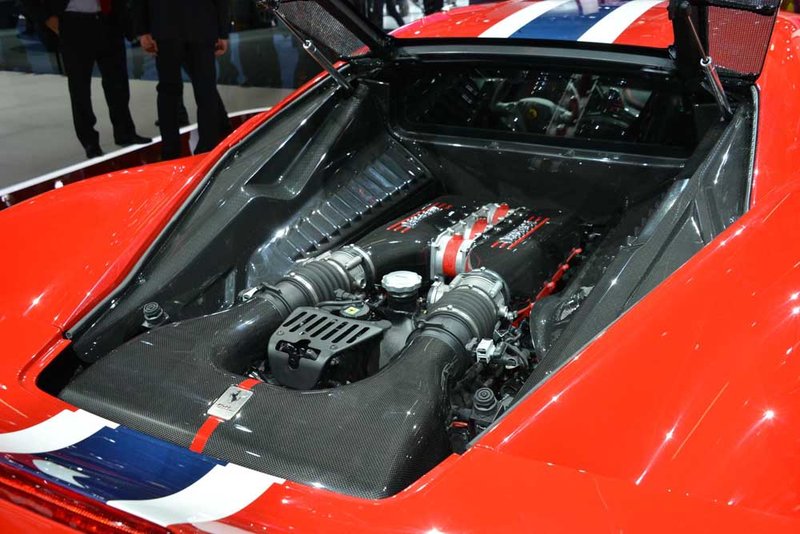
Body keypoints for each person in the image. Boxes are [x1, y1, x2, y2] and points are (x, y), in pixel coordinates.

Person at [21, 0, 150, 159]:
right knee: (80, 88)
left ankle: (125, 132)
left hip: (108, 20)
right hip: (73, 22)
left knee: (118, 83)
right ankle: (90, 142)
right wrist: (47, 18)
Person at [133, 0, 231, 161]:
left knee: (170, 91)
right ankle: (207, 149)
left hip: (167, 26)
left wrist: (143, 30)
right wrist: (223, 31)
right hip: (199, 24)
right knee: (204, 89)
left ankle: (171, 152)